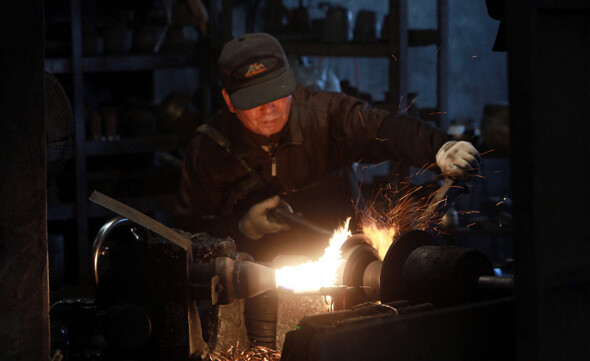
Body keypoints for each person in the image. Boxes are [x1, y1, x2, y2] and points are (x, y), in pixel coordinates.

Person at [173, 32, 480, 262]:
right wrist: (242, 228)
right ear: (229, 100)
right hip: (255, 279)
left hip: (345, 264)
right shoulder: (208, 149)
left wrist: (439, 148)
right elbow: (187, 237)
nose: (269, 108)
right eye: (254, 101)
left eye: (277, 94)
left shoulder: (323, 115)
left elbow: (382, 127)